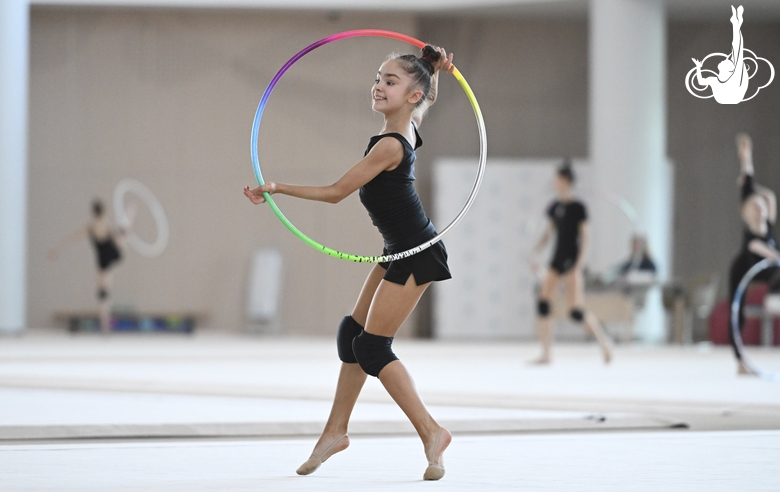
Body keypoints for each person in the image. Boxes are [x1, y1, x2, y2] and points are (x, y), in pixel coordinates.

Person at [244, 45, 454, 480]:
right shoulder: (406, 129)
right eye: (378, 77)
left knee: (372, 347)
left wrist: (277, 188)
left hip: (416, 251)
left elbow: (335, 192)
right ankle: (334, 432)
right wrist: (435, 71)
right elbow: (423, 101)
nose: (378, 85)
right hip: (397, 247)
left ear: (413, 96)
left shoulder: (391, 147)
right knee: (351, 334)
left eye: (391, 81)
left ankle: (432, 432)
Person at [528, 161, 612, 364]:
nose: (554, 182)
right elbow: (548, 234)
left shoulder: (578, 208)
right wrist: (534, 254)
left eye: (557, 178)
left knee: (575, 310)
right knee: (543, 303)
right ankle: (546, 353)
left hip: (572, 261)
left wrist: (578, 265)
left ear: (566, 180)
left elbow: (585, 238)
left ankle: (604, 344)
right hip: (556, 260)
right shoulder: (555, 207)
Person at [728, 133, 779, 375]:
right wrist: (745, 156)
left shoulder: (768, 222)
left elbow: (765, 195)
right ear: (747, 210)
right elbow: (755, 247)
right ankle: (740, 361)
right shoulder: (751, 225)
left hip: (767, 270)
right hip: (744, 267)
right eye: (754, 204)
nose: (760, 207)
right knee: (736, 313)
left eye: (762, 205)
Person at [49, 199, 132, 332]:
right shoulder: (103, 223)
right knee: (123, 236)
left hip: (105, 257)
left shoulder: (93, 226)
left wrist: (57, 249)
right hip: (110, 254)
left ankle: (104, 321)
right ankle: (105, 322)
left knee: (103, 292)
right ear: (103, 211)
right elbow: (117, 236)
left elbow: (73, 237)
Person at [692, 5, 748, 104]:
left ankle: (736, 23)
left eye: (727, 61)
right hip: (728, 97)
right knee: (737, 51)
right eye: (728, 60)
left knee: (737, 51)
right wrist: (698, 67)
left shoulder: (734, 78)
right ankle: (736, 23)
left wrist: (736, 26)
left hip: (733, 95)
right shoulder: (714, 80)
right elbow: (701, 82)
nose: (725, 59)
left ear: (729, 69)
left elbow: (737, 49)